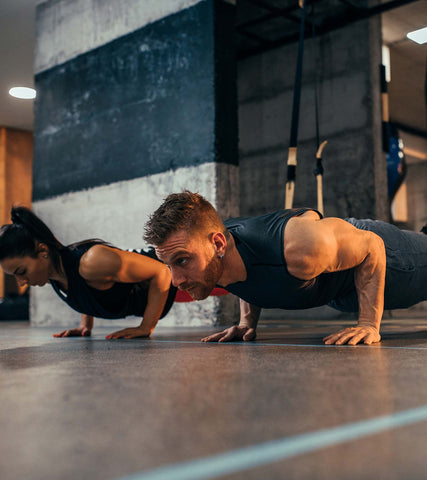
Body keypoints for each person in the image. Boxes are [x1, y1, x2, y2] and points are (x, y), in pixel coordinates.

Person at [144, 191, 427, 346]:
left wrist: (368, 325)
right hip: (342, 293)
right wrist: (246, 323)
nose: (176, 280)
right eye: (167, 265)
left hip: (387, 260)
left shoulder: (300, 245)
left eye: (181, 261)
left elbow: (371, 246)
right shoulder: (211, 254)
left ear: (218, 244)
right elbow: (242, 273)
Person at [0, 206, 226, 339]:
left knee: (234, 280)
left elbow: (162, 271)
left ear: (42, 252)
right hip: (163, 290)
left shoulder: (91, 261)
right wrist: (85, 326)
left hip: (174, 273)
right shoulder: (55, 274)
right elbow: (83, 290)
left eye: (21, 271)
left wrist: (146, 327)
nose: (21, 282)